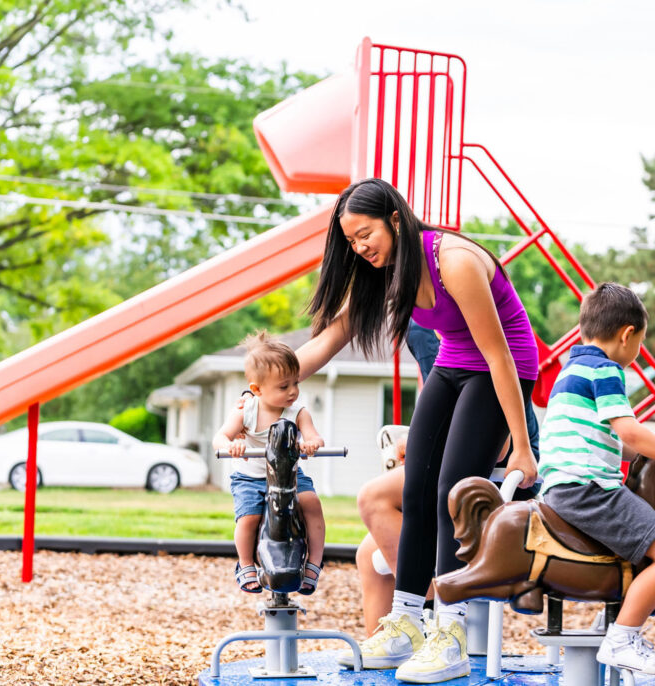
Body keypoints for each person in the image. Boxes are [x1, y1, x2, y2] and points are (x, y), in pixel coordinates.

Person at [297, 178, 538, 683]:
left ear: (396, 219)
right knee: (417, 485)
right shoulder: (385, 271)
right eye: (352, 242)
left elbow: (499, 355)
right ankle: (406, 620)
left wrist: (520, 446)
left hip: (503, 366)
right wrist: (267, 384)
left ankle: (450, 632)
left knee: (452, 490)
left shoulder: (453, 260)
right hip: (455, 361)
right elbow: (329, 339)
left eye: (366, 234)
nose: (361, 248)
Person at [537, 282, 655, 676]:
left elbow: (622, 444)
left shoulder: (572, 368)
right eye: (639, 345)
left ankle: (611, 623)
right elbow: (630, 433)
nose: (636, 356)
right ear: (627, 334)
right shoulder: (606, 370)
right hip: (588, 489)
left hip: (560, 486)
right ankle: (623, 638)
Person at [355, 323, 542, 633]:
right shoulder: (437, 350)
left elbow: (496, 447)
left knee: (374, 497)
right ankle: (388, 655)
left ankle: (433, 591)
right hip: (468, 475)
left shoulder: (463, 343)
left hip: (500, 482)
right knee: (368, 557)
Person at [212, 331, 327, 595]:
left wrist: (311, 444)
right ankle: (245, 564)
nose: (293, 392)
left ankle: (314, 562)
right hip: (250, 478)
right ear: (257, 389)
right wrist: (231, 446)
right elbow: (220, 438)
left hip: (291, 476)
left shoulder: (298, 412)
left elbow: (314, 436)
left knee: (311, 504)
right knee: (249, 518)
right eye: (284, 386)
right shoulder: (246, 410)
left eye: (295, 383)